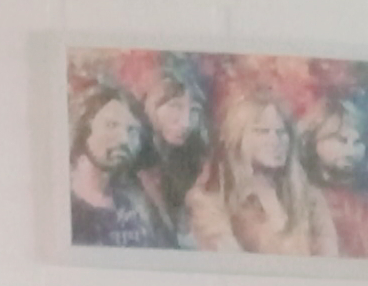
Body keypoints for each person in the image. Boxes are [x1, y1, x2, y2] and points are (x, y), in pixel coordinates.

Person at [189, 86, 338, 256]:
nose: (275, 141)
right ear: (237, 137)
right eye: (262, 131)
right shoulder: (209, 199)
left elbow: (329, 260)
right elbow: (229, 260)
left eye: (281, 132)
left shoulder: (310, 199)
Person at [68, 81, 175, 249]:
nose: (124, 140)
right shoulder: (64, 206)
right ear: (85, 128)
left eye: (132, 131)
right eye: (111, 125)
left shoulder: (142, 205)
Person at [299, 92, 368, 259]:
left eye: (358, 142)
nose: (351, 151)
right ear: (313, 139)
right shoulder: (300, 193)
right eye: (341, 140)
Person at [139, 61, 211, 246]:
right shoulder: (133, 164)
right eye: (175, 107)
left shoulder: (198, 162)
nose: (186, 123)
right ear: (150, 106)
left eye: (193, 111)